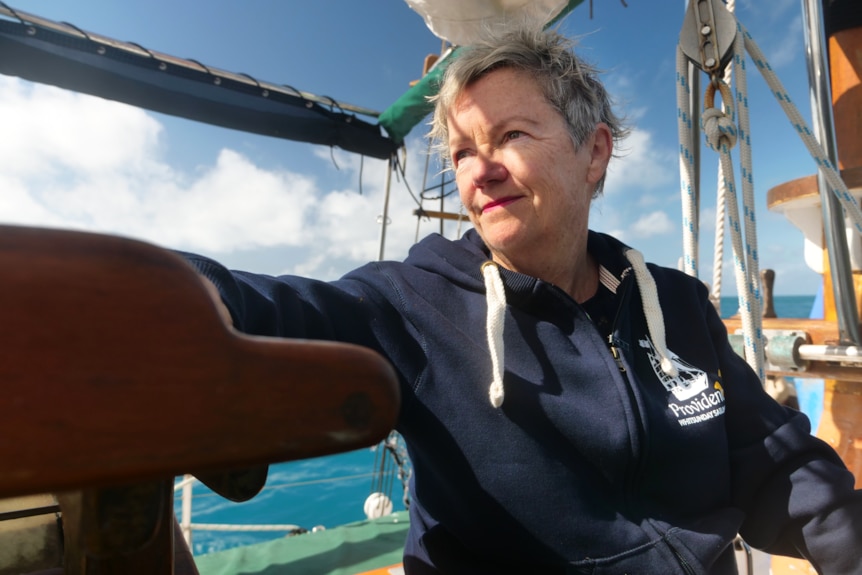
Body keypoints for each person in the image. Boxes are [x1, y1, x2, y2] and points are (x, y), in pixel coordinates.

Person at [184, 25, 862, 574]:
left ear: (592, 153)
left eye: (510, 135)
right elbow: (261, 310)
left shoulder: (678, 303)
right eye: (461, 153)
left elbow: (781, 469)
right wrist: (175, 290)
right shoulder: (410, 305)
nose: (480, 171)